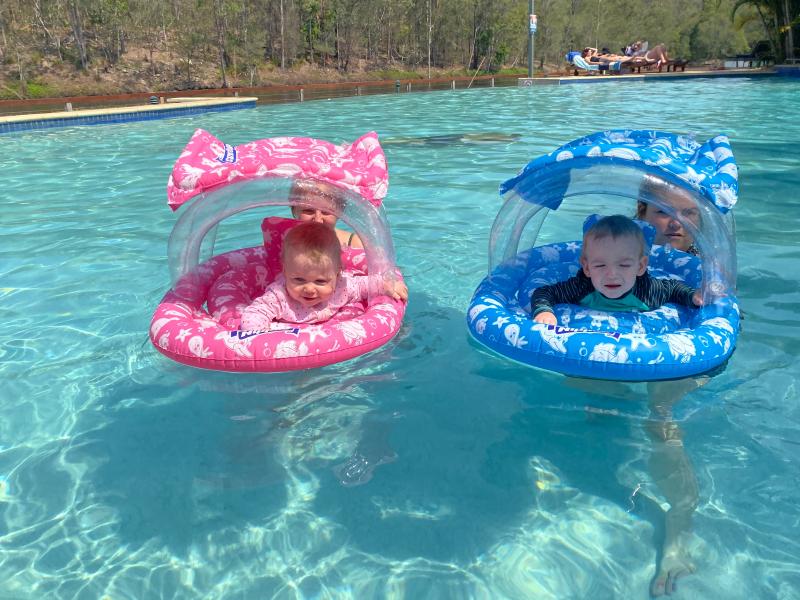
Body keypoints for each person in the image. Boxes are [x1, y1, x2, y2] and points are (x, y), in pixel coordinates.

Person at [531, 215, 702, 325]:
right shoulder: (581, 287)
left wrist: (693, 296)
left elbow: (673, 288)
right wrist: (544, 311)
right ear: (587, 267)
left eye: (624, 265)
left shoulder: (648, 291)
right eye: (600, 265)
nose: (611, 274)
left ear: (640, 266)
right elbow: (544, 292)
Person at [240, 221, 407, 331]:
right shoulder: (278, 295)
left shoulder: (342, 287)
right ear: (285, 272)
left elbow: (364, 284)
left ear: (337, 274)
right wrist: (259, 338)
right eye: (298, 279)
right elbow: (254, 314)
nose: (309, 288)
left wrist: (388, 284)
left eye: (320, 281)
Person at [289, 179, 364, 248]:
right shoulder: (284, 239)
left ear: (339, 212)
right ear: (293, 210)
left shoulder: (356, 245)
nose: (318, 220)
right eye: (309, 210)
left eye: (326, 212)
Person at [636, 176, 701, 255]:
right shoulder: (618, 254)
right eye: (664, 211)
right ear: (641, 211)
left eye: (689, 213)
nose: (677, 224)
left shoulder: (710, 264)